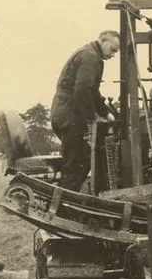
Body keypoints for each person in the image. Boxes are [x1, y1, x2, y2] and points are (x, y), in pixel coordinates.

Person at [51, 30, 120, 191]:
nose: (113, 55)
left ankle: (65, 206)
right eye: (113, 49)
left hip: (68, 114)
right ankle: (63, 210)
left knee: (80, 163)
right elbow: (82, 91)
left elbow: (93, 92)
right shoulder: (90, 57)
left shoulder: (93, 56)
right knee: (76, 165)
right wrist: (92, 120)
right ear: (103, 41)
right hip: (70, 117)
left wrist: (106, 114)